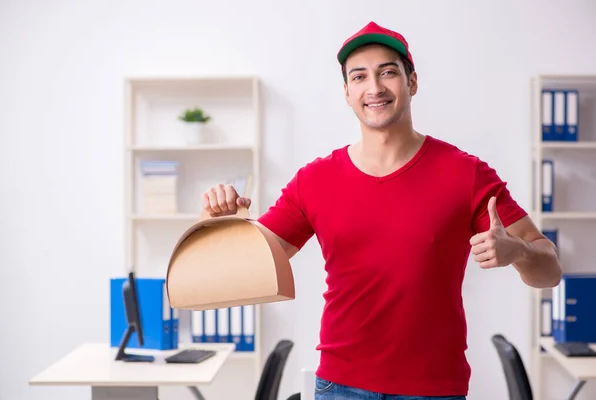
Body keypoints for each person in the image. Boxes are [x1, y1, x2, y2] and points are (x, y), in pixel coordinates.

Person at [201, 21, 562, 400]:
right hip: (340, 388)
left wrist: (518, 251)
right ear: (347, 93)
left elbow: (549, 272)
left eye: (388, 72)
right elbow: (247, 268)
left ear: (412, 82)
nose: (374, 88)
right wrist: (222, 221)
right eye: (359, 77)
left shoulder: (466, 173)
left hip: (434, 390)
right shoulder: (315, 181)